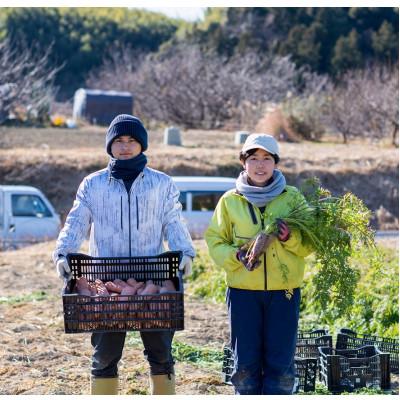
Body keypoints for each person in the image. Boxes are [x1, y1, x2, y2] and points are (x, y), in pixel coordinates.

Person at [53, 114, 195, 395]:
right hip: (104, 282)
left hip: (152, 278)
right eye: (119, 140)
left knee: (161, 352)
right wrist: (63, 253)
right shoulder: (93, 185)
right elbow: (76, 221)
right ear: (110, 146)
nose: (125, 146)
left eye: (132, 140)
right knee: (104, 355)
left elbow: (173, 221)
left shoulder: (161, 183)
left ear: (142, 145)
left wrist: (185, 252)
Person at [205, 133, 313, 395]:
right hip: (243, 293)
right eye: (253, 158)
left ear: (276, 163)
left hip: (284, 292)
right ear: (243, 162)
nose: (260, 165)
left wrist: (289, 238)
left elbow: (309, 243)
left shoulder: (292, 198)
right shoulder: (230, 201)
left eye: (267, 159)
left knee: (280, 362)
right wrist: (237, 257)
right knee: (245, 362)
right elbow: (215, 241)